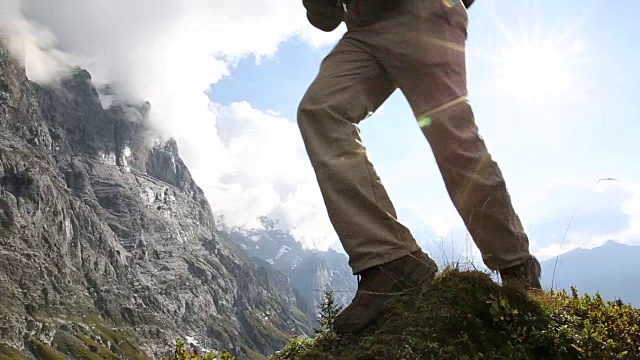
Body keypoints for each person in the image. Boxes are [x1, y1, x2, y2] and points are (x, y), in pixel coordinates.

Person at [297, 0, 542, 335]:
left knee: (451, 135)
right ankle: (390, 260)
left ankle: (516, 265)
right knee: (321, 110)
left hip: (422, 13)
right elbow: (325, 19)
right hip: (363, 33)